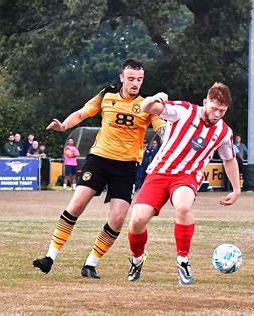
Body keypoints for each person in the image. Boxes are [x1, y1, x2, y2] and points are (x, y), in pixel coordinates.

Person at [33, 58, 166, 279]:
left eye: (139, 79)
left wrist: (172, 139)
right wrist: (64, 126)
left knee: (117, 219)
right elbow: (83, 112)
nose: (135, 83)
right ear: (122, 77)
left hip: (127, 167)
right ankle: (49, 257)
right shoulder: (106, 95)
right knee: (76, 205)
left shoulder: (148, 104)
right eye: (131, 78)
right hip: (99, 160)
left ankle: (90, 264)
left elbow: (162, 129)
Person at [126, 82, 240, 286]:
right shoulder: (184, 111)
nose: (216, 114)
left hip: (187, 177)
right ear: (205, 102)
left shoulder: (224, 132)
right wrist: (155, 97)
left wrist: (236, 189)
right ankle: (137, 259)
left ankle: (183, 261)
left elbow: (229, 159)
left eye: (222, 111)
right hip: (159, 173)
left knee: (183, 207)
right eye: (214, 108)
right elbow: (147, 108)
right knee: (137, 220)